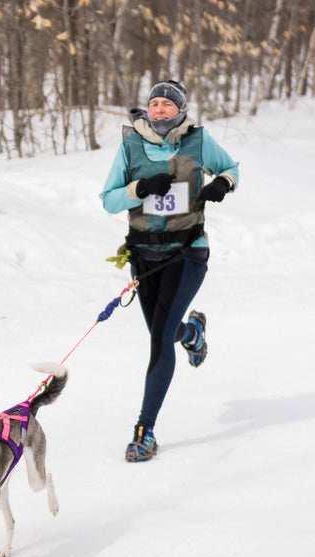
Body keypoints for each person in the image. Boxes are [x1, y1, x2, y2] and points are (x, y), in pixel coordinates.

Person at [99, 79, 239, 462]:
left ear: (180, 110)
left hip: (188, 251)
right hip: (145, 257)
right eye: (155, 103)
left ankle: (144, 432)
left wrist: (222, 185)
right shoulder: (130, 145)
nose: (160, 109)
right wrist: (139, 188)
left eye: (167, 104)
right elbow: (109, 201)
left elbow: (230, 168)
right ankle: (192, 332)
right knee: (165, 329)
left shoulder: (197, 140)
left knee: (160, 340)